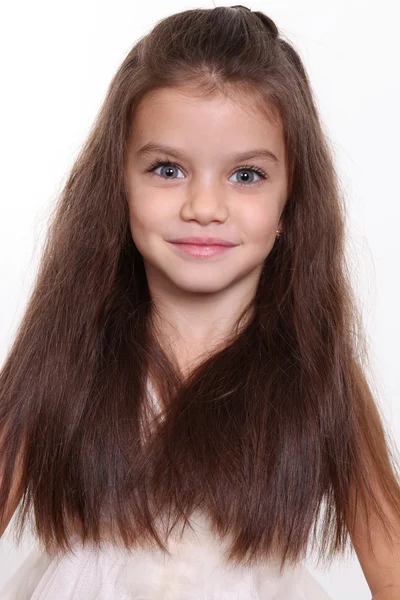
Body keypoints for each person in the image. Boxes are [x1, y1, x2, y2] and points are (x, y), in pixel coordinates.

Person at [1, 5, 399, 599]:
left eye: (245, 176)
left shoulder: (319, 376)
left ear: (292, 202)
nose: (204, 206)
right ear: (119, 183)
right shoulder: (66, 359)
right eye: (168, 169)